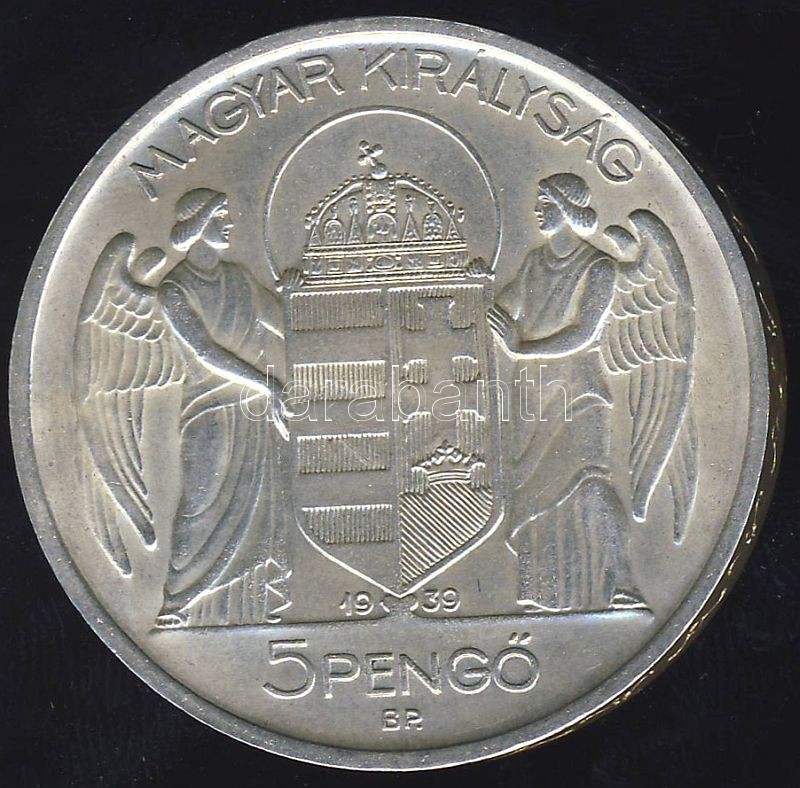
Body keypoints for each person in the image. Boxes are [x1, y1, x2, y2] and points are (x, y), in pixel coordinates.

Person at [489, 173, 643, 613]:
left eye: (546, 204)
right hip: (533, 397)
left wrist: (522, 348)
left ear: (567, 209)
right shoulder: (535, 261)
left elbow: (583, 332)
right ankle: (543, 593)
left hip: (580, 393)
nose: (537, 211)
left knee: (589, 481)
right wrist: (468, 289)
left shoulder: (599, 266)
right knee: (534, 494)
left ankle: (623, 579)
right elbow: (501, 309)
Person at [155, 188, 294, 627]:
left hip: (251, 411)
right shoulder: (174, 289)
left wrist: (307, 294)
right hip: (208, 413)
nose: (230, 224)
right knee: (201, 505)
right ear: (199, 226)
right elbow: (203, 350)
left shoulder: (240, 279)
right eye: (221, 217)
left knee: (262, 506)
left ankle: (259, 604)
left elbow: (287, 322)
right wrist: (267, 383)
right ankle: (177, 602)